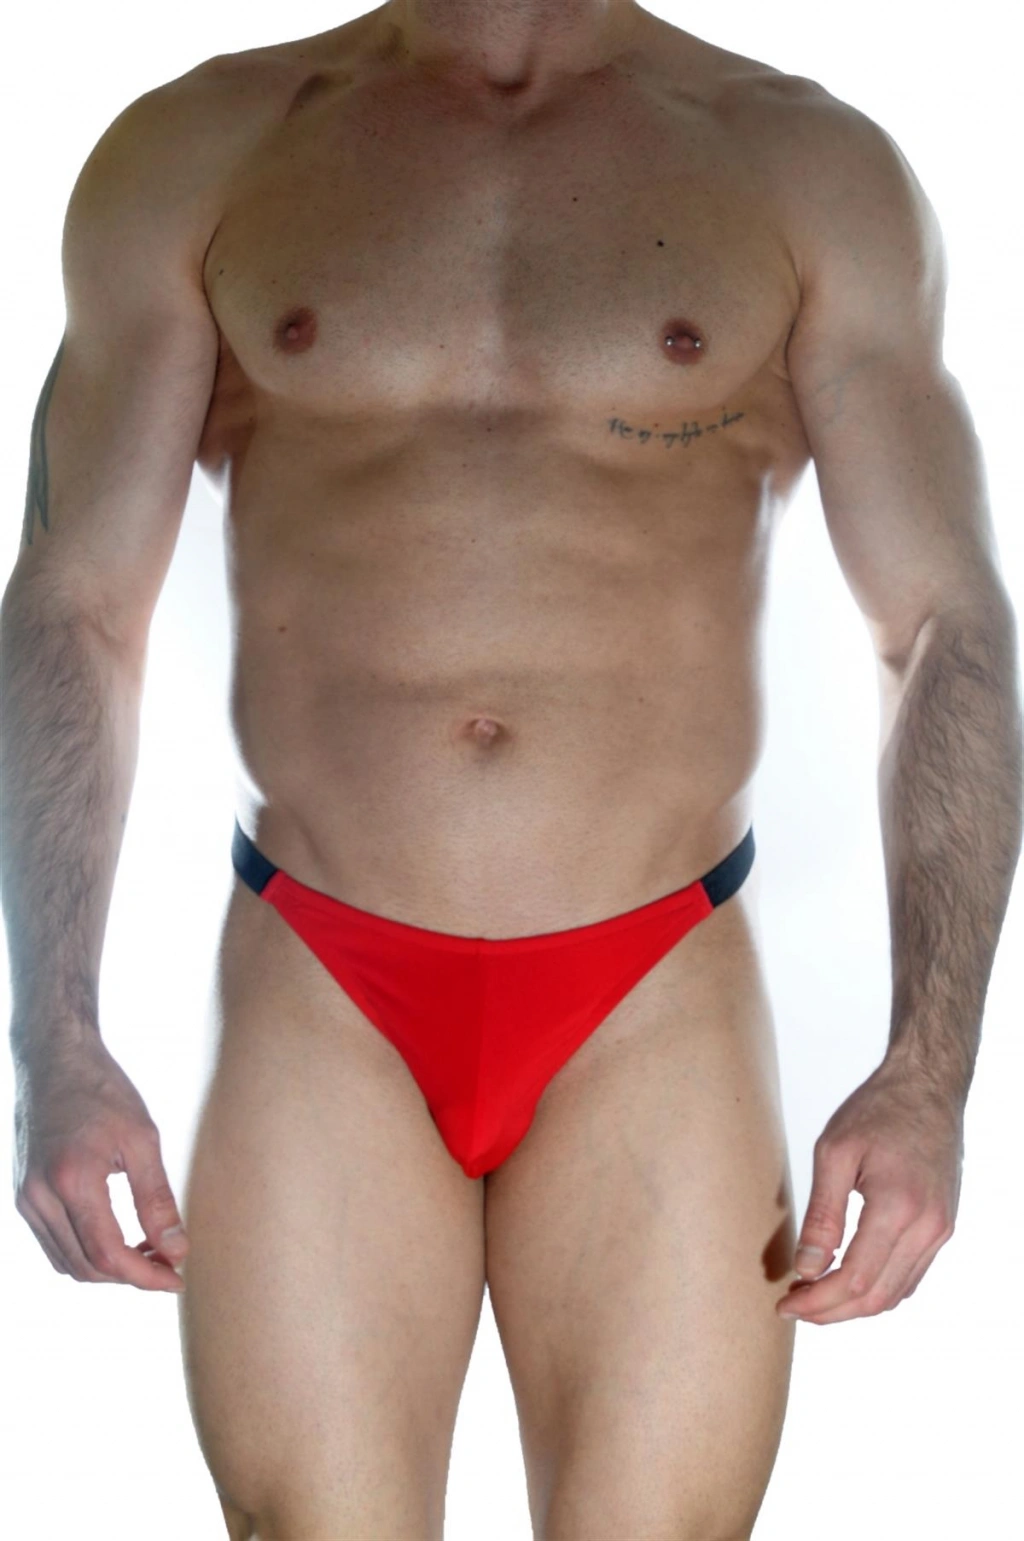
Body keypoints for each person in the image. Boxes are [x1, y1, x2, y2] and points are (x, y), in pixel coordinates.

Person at [2, 2, 1020, 1538]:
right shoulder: (205, 148)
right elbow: (75, 608)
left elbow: (945, 625)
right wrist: (56, 1041)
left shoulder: (804, 166)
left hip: (653, 985)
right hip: (323, 975)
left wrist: (929, 1074)